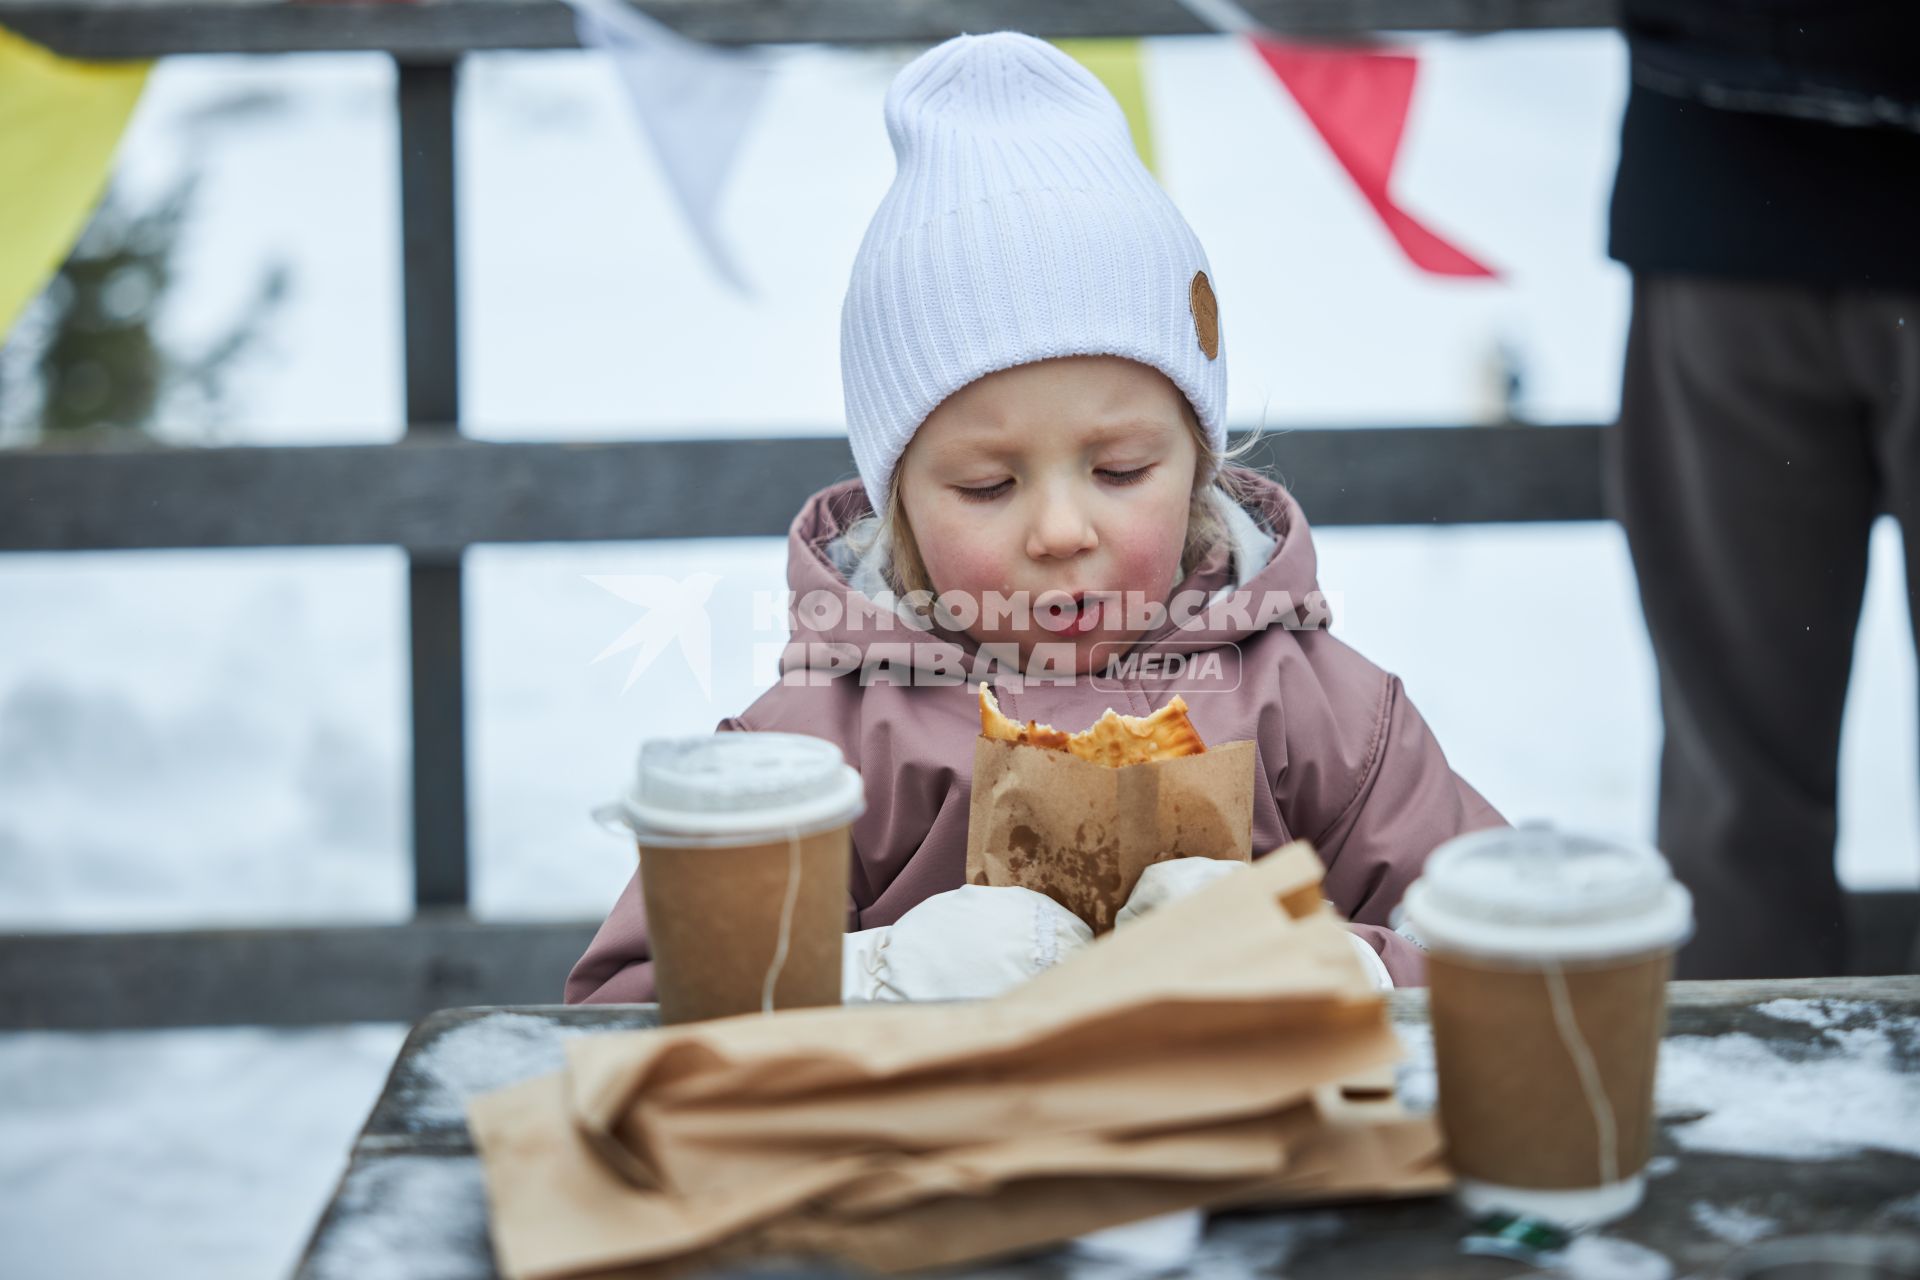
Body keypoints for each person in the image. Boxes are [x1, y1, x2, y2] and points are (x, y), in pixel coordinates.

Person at [567, 31, 1503, 1005]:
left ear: (1197, 466)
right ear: (900, 503)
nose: (1061, 529)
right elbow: (624, 1011)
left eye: (1120, 468)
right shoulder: (824, 746)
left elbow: (1514, 958)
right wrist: (874, 980)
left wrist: (1337, 965)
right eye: (987, 485)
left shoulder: (1316, 711)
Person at [1607, 1, 1920, 978]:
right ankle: (1745, 1105)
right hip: (1720, 197)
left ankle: (1744, 1098)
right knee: (1732, 801)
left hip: (1718, 186)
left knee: (1734, 798)